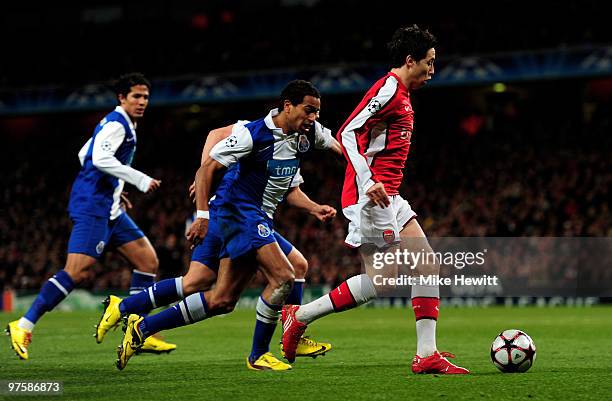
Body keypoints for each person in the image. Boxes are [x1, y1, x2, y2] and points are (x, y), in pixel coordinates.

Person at [281, 25, 470, 374]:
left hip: (391, 196)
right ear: (410, 60)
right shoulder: (388, 89)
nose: (432, 70)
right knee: (383, 282)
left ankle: (426, 354)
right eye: (428, 63)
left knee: (427, 264)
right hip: (370, 198)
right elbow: (347, 130)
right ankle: (300, 316)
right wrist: (368, 181)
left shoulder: (402, 94)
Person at [114, 80, 336, 370]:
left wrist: (325, 201)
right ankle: (266, 350)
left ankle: (140, 327)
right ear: (287, 106)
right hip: (239, 213)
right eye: (309, 111)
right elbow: (208, 165)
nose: (314, 118)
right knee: (283, 274)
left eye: (317, 113)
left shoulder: (301, 137)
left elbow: (331, 153)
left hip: (257, 217)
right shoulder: (252, 132)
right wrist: (202, 215)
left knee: (223, 299)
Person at [5, 72, 175, 360]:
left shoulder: (122, 124)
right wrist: (139, 180)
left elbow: (85, 154)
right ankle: (23, 324)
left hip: (108, 205)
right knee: (77, 271)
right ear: (122, 98)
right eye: (136, 96)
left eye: (145, 96)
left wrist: (114, 188)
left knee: (147, 261)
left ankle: (139, 330)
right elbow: (99, 158)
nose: (142, 101)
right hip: (92, 206)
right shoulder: (117, 123)